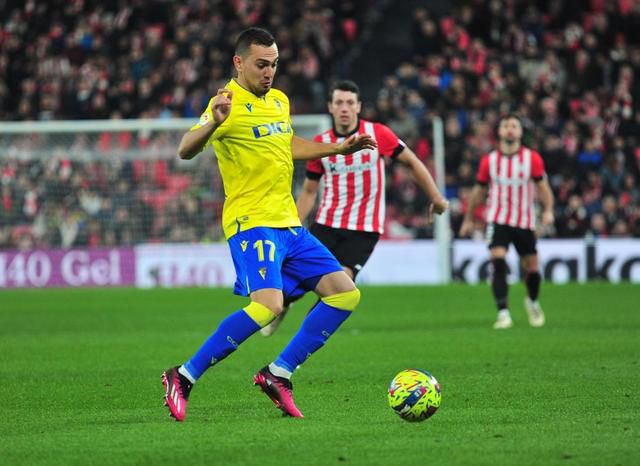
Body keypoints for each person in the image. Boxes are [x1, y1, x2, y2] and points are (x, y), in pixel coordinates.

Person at [162, 27, 377, 421]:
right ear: (239, 62)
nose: (269, 72)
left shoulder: (278, 100)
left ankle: (278, 374)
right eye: (262, 64)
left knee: (345, 294)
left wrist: (338, 148)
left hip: (289, 225)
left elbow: (289, 145)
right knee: (268, 306)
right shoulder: (225, 103)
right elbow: (185, 149)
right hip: (252, 223)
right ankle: (183, 376)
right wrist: (213, 123)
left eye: (274, 64)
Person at [260, 80, 449, 337]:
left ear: (359, 106)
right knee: (296, 283)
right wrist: (290, 225)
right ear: (330, 107)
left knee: (341, 286)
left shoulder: (378, 134)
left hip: (363, 229)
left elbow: (412, 162)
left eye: (350, 102)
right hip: (327, 224)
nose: (345, 108)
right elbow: (309, 191)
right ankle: (283, 306)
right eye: (339, 102)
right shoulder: (322, 143)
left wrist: (436, 197)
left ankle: (303, 341)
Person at [459, 114, 555, 329]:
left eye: (514, 126)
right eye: (506, 126)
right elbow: (478, 191)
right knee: (498, 259)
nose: (510, 129)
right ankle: (503, 313)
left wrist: (548, 210)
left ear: (520, 132)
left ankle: (532, 301)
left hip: (524, 220)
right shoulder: (489, 161)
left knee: (532, 267)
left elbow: (543, 188)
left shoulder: (532, 159)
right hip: (497, 218)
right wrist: (469, 218)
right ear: (500, 132)